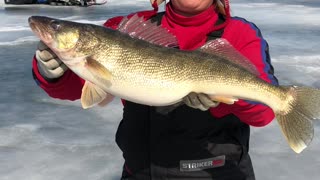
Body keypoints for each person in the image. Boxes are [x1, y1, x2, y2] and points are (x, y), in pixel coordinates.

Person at [32, 0, 278, 179]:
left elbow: (265, 112)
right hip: (140, 171)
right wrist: (52, 72)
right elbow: (76, 88)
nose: (52, 29)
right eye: (56, 27)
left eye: (56, 27)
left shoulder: (240, 33)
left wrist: (222, 100)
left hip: (216, 172)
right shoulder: (124, 28)